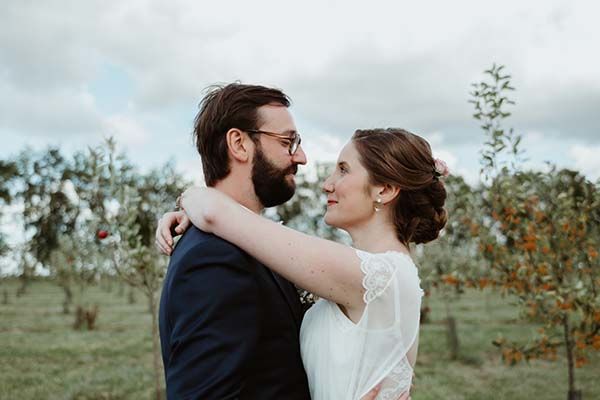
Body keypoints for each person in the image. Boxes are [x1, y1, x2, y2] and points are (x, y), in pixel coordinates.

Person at [158, 123, 449, 398]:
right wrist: (197, 216)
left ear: (384, 190)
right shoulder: (360, 271)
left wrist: (191, 198)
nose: (327, 184)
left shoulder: (379, 276)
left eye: (343, 170)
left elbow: (214, 214)